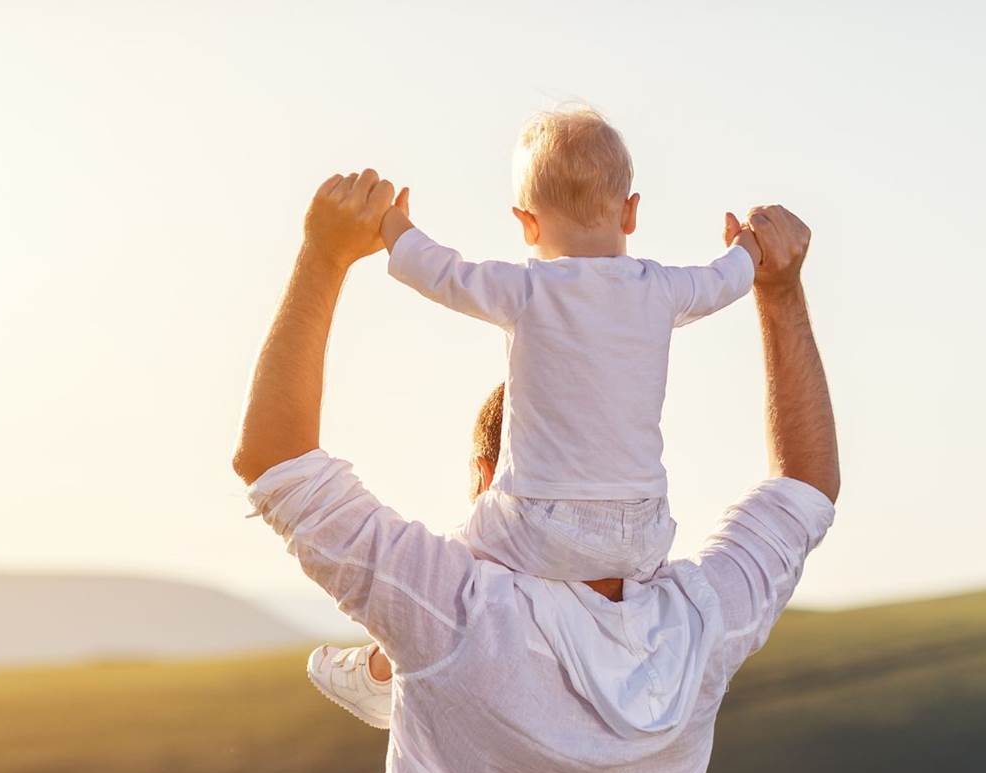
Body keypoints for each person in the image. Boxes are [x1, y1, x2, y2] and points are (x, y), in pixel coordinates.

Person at [232, 169, 838, 773]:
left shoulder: (449, 611)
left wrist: (323, 257)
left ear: (493, 476)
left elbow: (275, 459)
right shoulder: (698, 624)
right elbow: (804, 489)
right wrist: (780, 290)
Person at [309, 108, 761, 728]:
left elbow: (444, 273)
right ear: (630, 212)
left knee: (446, 574)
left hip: (539, 521)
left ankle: (381, 673)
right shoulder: (663, 288)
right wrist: (747, 249)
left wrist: (395, 227)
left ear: (526, 223)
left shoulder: (526, 290)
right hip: (643, 530)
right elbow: (726, 280)